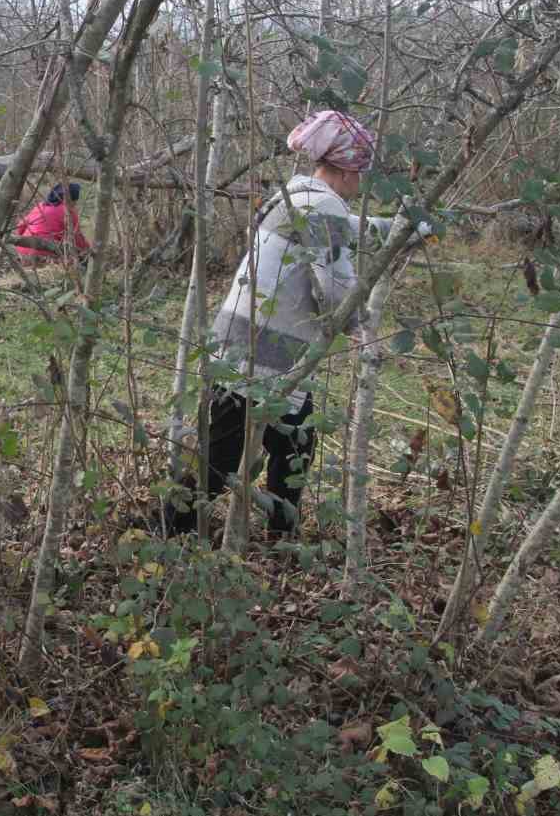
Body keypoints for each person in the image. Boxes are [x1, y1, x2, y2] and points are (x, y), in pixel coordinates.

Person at [166, 110, 431, 538]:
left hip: (250, 343)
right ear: (348, 170)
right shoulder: (321, 205)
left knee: (293, 444)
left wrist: (398, 231)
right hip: (260, 352)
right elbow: (333, 291)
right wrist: (363, 329)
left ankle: (280, 537)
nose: (362, 181)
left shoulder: (299, 194)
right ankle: (171, 536)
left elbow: (348, 230)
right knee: (221, 459)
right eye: (361, 172)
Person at [14, 182, 90, 262]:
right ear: (71, 200)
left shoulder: (40, 206)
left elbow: (20, 228)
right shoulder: (68, 212)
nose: (75, 204)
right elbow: (77, 239)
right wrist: (89, 251)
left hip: (23, 250)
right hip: (43, 255)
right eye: (75, 200)